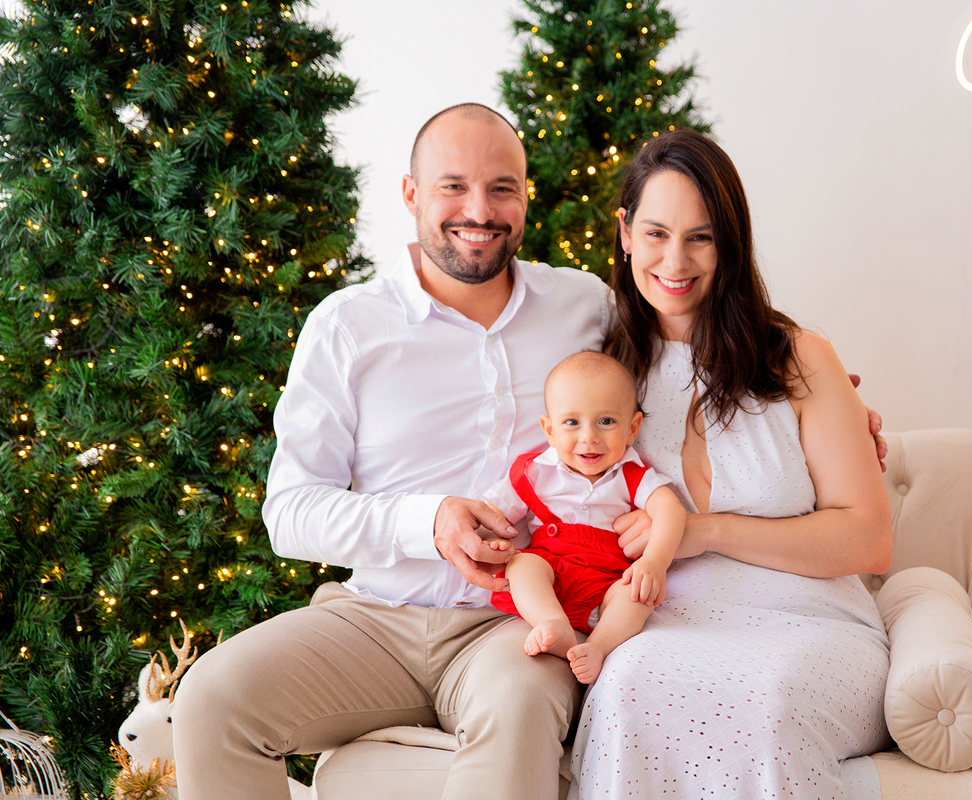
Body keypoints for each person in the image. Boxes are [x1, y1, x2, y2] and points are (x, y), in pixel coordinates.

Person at [170, 102, 885, 800]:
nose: (478, 209)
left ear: (524, 199)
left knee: (519, 715)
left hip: (523, 618)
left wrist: (839, 415)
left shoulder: (588, 311)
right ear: (411, 194)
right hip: (377, 613)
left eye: (501, 188)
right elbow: (290, 512)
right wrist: (429, 521)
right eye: (453, 186)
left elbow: (703, 352)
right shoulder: (347, 327)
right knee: (209, 700)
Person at [569, 130, 893, 799]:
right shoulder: (604, 374)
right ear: (625, 232)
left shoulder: (800, 359)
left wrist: (704, 531)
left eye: (702, 237)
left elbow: (870, 538)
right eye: (656, 233)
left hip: (812, 626)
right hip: (668, 626)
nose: (676, 260)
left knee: (768, 702)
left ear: (731, 242)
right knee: (629, 687)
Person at [485, 351, 686, 684]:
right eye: (572, 422)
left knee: (638, 596)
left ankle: (598, 645)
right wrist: (491, 539)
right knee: (521, 565)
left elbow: (670, 510)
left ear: (633, 428)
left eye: (606, 422)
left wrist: (654, 563)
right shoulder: (534, 472)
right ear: (549, 430)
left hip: (610, 581)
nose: (589, 437)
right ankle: (553, 624)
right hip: (553, 573)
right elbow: (493, 513)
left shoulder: (631, 474)